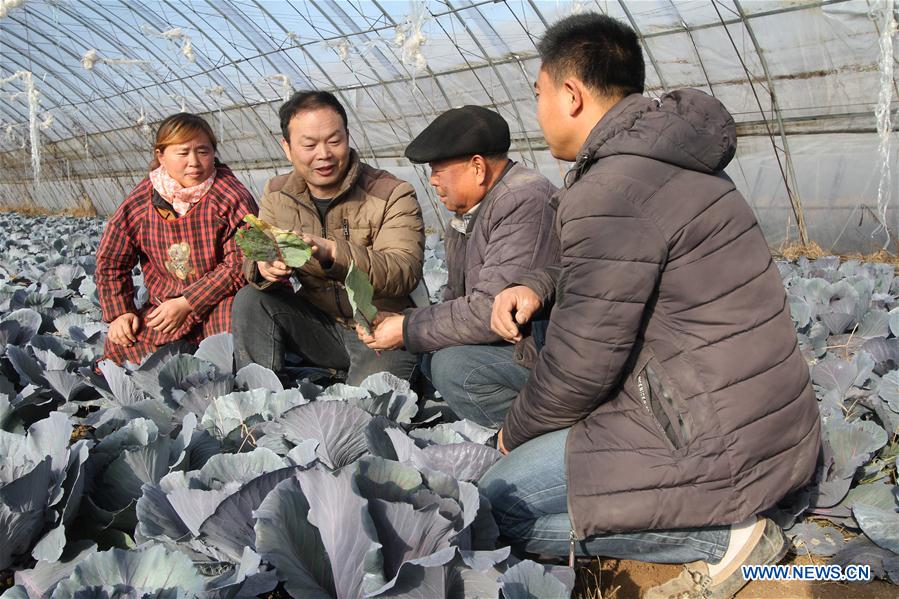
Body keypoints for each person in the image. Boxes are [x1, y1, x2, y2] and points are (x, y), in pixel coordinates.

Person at [479, 13, 821, 599]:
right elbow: (621, 269)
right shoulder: (673, 161)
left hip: (710, 441)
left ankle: (723, 539)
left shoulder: (609, 189)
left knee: (497, 505)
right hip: (771, 424)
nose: (537, 111)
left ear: (571, 94)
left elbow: (580, 368)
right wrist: (541, 283)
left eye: (538, 94)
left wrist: (513, 434)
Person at [357, 105, 558, 428]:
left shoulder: (522, 200)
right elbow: (455, 301)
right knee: (428, 348)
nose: (432, 181)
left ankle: (529, 434)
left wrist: (408, 328)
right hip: (510, 347)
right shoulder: (467, 215)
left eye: (438, 170)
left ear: (477, 167)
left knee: (454, 367)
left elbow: (491, 311)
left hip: (543, 353)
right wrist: (401, 320)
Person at [232, 90, 424, 385]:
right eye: (309, 145)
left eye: (334, 141)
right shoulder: (277, 193)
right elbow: (260, 251)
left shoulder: (391, 193)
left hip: (379, 327)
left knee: (368, 403)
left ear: (348, 136)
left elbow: (403, 270)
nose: (324, 154)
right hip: (318, 327)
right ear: (287, 148)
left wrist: (333, 252)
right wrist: (264, 266)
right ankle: (259, 395)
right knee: (251, 300)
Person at [95, 112, 258, 365]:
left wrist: (188, 302)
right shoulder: (141, 200)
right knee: (121, 345)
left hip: (221, 299)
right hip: (166, 306)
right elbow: (111, 260)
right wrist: (120, 313)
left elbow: (241, 262)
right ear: (161, 156)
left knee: (227, 341)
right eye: (183, 153)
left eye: (203, 151)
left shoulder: (230, 195)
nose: (194, 162)